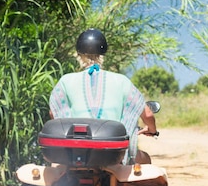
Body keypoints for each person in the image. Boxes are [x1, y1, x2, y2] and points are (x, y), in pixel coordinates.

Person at [49, 28, 157, 164]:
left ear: (78, 55)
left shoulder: (65, 81)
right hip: (114, 154)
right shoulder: (121, 80)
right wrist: (152, 130)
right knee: (145, 160)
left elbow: (54, 114)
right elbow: (147, 114)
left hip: (74, 153)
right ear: (103, 55)